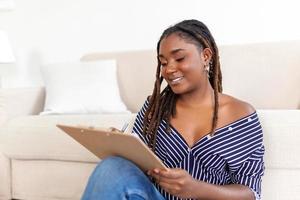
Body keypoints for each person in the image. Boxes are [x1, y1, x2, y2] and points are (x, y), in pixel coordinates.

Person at [81, 19, 264, 200]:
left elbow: (251, 193)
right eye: (164, 62)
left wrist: (195, 188)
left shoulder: (241, 115)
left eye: (179, 58)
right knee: (111, 166)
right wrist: (120, 147)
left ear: (206, 56)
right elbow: (135, 170)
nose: (169, 69)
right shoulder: (156, 107)